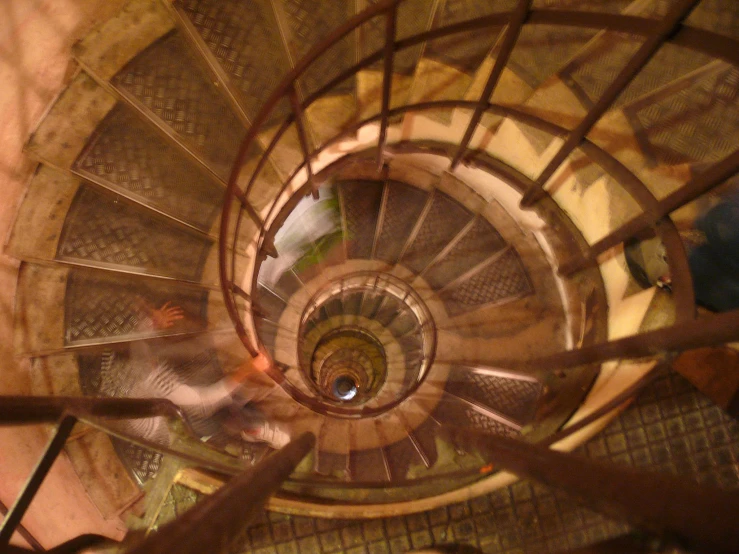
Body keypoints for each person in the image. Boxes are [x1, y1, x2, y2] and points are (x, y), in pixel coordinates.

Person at [110, 301, 290, 449]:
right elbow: (205, 401)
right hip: (185, 422)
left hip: (156, 392)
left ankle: (228, 332)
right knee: (223, 409)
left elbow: (138, 339)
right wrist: (248, 369)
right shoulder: (157, 385)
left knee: (182, 354)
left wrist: (154, 321)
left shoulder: (137, 361)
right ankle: (252, 430)